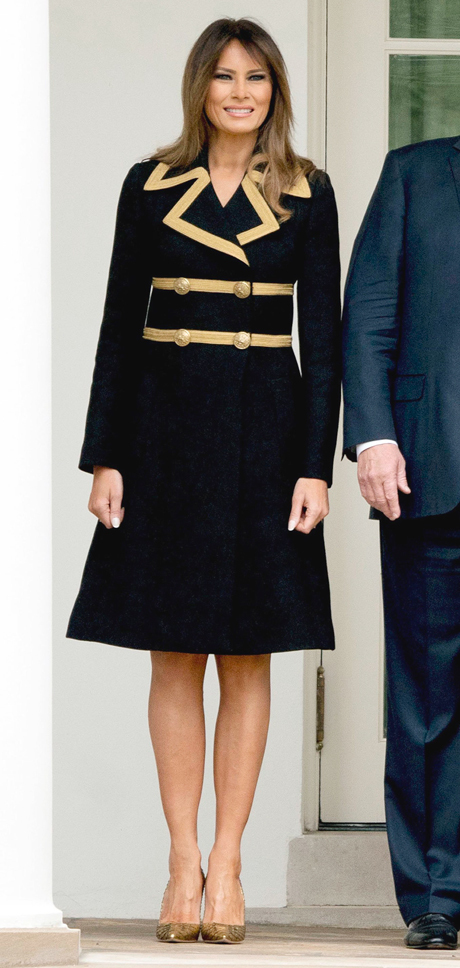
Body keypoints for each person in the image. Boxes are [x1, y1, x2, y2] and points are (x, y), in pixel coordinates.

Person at [66, 17, 341, 944]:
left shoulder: (307, 191)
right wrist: (106, 455)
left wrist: (314, 467)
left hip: (267, 434)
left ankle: (229, 866)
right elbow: (117, 325)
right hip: (164, 434)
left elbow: (326, 344)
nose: (240, 92)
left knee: (249, 653)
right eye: (224, 76)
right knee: (174, 653)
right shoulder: (148, 186)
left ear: (274, 92)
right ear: (201, 87)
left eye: (256, 77)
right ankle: (181, 862)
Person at [342, 135, 460, 950]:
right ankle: (435, 894)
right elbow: (370, 314)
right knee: (426, 701)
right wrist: (375, 435)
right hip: (431, 469)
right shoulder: (414, 175)